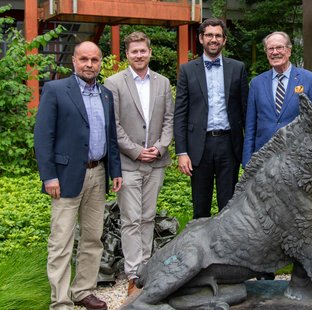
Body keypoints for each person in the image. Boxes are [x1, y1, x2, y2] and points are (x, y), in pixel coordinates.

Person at [34, 41, 123, 310]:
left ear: (100, 62)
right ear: (74, 61)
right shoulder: (56, 90)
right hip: (64, 177)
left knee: (92, 238)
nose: (89, 64)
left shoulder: (106, 95)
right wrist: (49, 176)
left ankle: (83, 290)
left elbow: (111, 137)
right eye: (83, 59)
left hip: (98, 175)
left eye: (94, 60)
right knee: (61, 241)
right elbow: (43, 136)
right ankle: (60, 301)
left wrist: (115, 171)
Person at [104, 31, 174, 296]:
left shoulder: (163, 83)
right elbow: (114, 125)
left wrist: (160, 147)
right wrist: (136, 151)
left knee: (148, 217)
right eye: (134, 52)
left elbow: (169, 119)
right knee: (131, 219)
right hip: (128, 162)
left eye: (143, 51)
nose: (139, 55)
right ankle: (134, 274)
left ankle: (146, 270)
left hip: (156, 162)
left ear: (150, 51)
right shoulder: (113, 83)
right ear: (127, 55)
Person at [174, 18, 248, 219]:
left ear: (224, 40)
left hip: (229, 145)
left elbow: (245, 111)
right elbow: (180, 113)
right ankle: (200, 248)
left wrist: (247, 150)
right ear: (200, 38)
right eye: (209, 35)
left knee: (229, 205)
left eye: (218, 36)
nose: (213, 39)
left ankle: (226, 249)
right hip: (199, 146)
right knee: (200, 207)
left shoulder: (238, 68)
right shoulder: (187, 70)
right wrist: (181, 152)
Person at [242, 31, 312, 166]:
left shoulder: (309, 79)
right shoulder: (256, 83)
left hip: (298, 158)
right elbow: (250, 127)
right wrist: (247, 162)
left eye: (279, 47)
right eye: (270, 49)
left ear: (289, 50)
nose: (275, 52)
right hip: (263, 159)